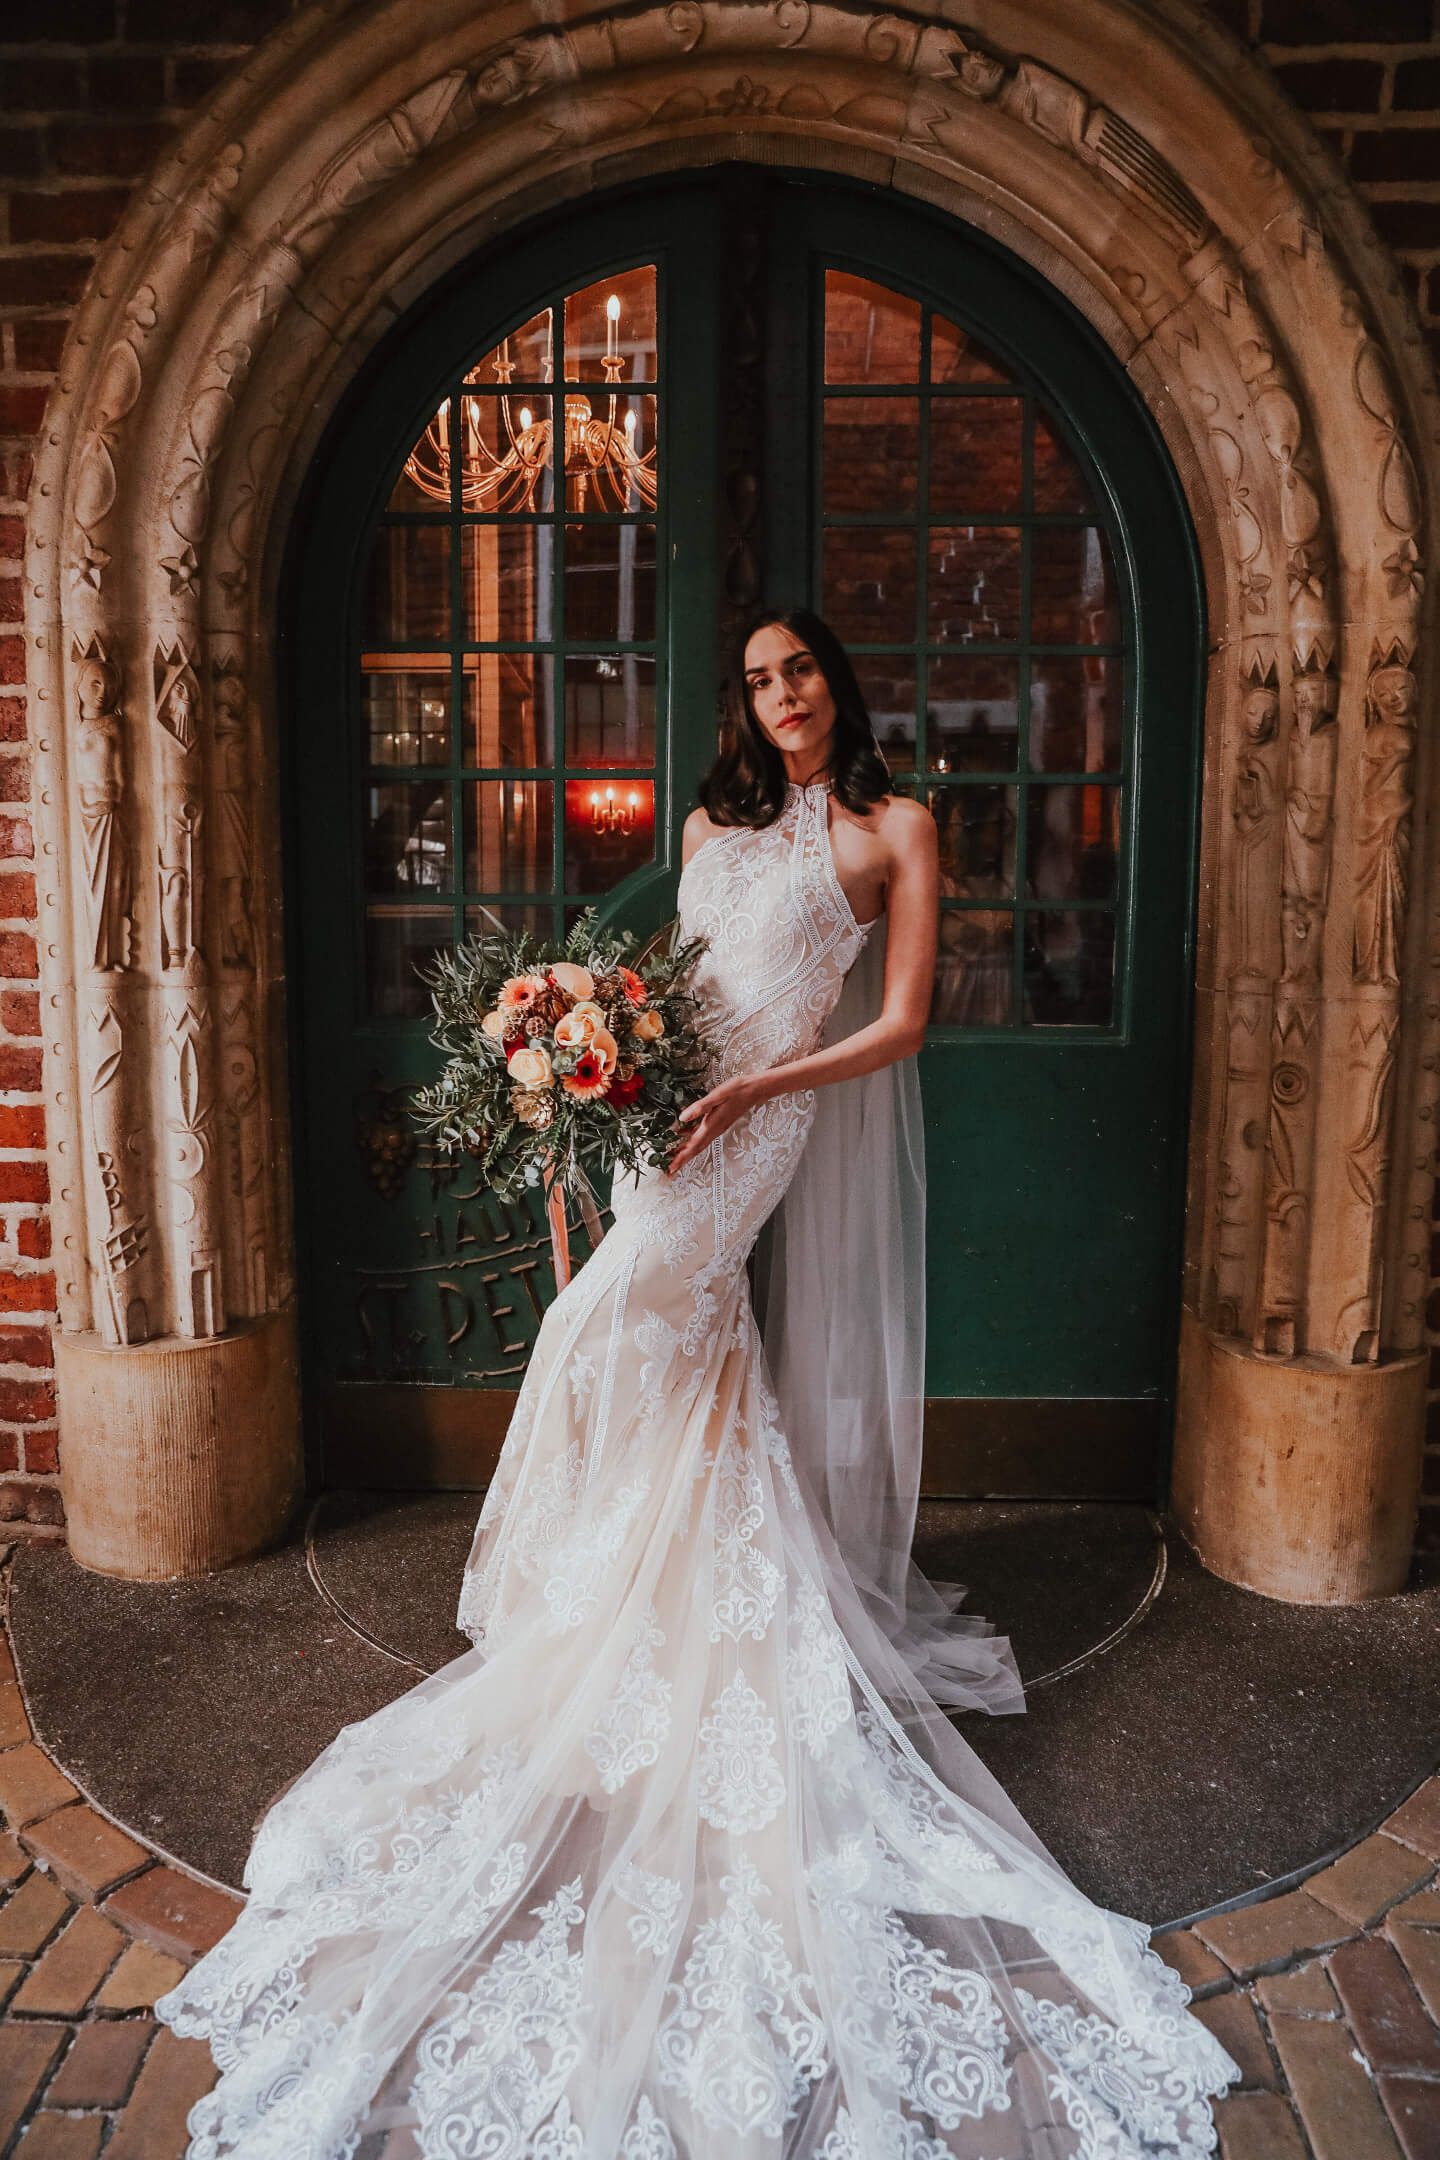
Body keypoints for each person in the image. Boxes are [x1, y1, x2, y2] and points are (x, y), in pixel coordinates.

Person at [156, 606, 1240, 2157]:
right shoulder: (711, 818)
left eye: (799, 671)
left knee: (616, 1331)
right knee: (668, 1353)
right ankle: (640, 1606)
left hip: (759, 1118)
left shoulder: (896, 827)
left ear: (839, 682)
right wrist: (577, 1063)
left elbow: (905, 1022)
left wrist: (754, 1090)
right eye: (755, 680)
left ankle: (627, 1612)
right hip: (657, 1115)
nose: (780, 697)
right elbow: (669, 978)